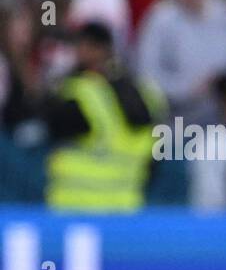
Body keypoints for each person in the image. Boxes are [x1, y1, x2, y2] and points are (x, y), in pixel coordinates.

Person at [44, 21, 166, 212]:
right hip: (127, 206)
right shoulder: (146, 92)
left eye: (80, 46)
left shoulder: (79, 94)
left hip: (74, 206)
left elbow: (48, 127)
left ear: (96, 49)